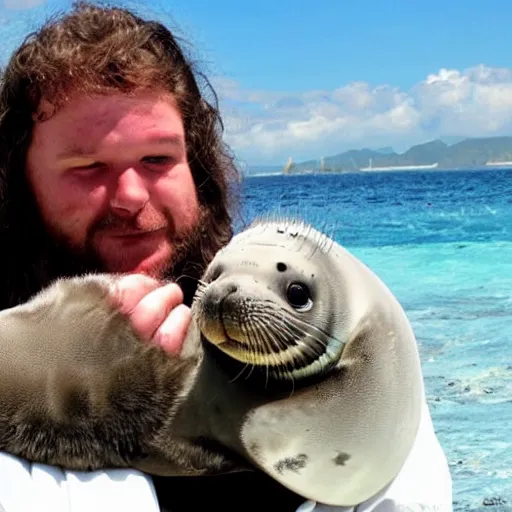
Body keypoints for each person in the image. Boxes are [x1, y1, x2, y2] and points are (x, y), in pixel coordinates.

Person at [0, 2, 453, 511]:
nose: (130, 195)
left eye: (157, 159)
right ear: (20, 184)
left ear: (195, 165)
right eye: (87, 166)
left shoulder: (338, 349)